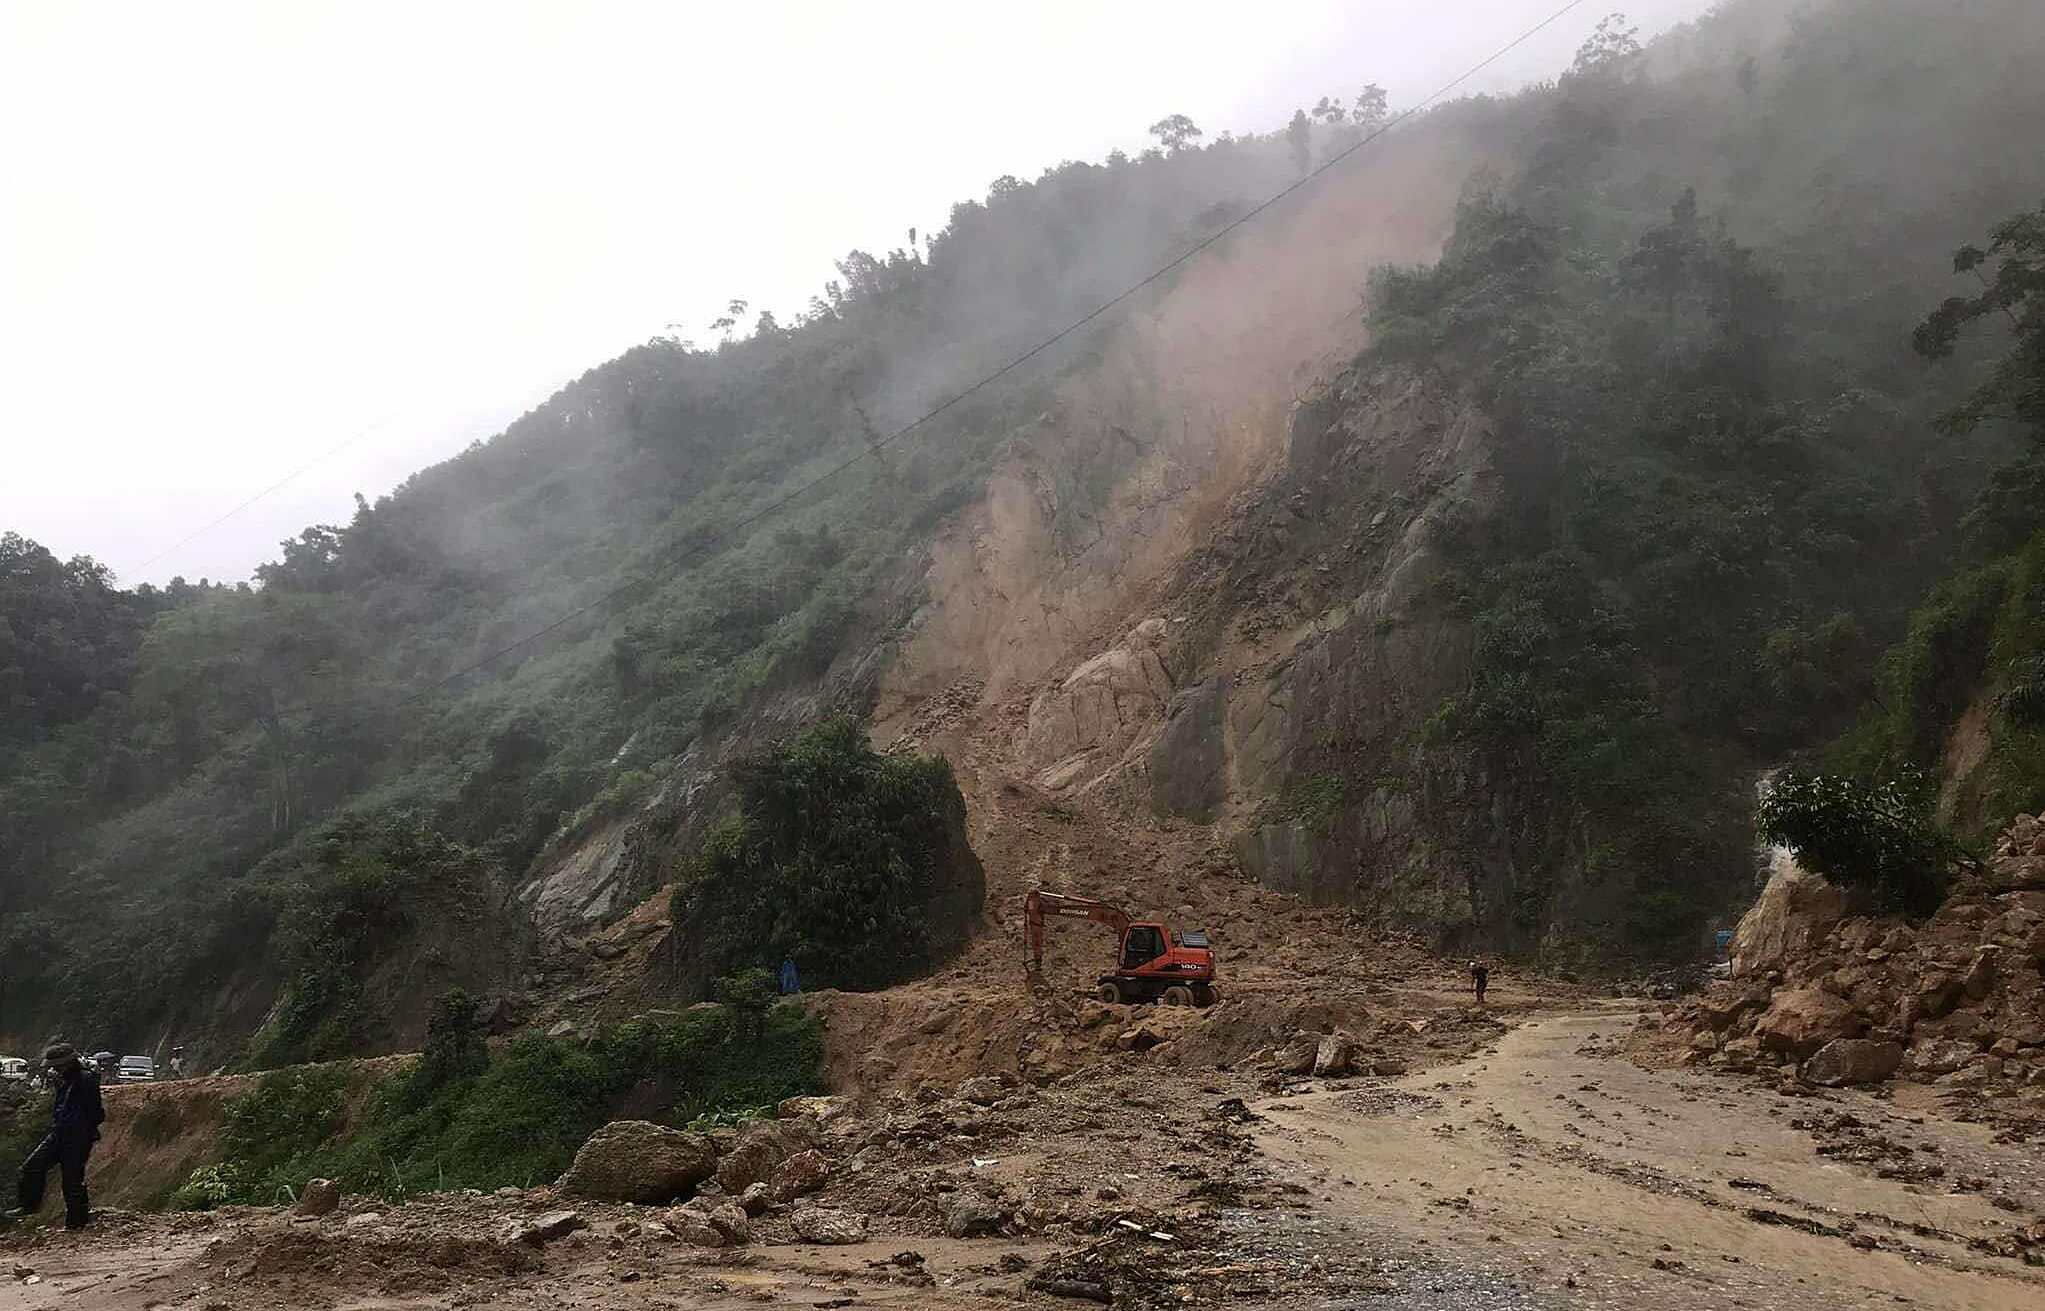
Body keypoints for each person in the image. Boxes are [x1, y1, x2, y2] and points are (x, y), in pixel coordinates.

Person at [14, 1044, 103, 1231]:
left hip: (77, 1137)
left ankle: (77, 1223)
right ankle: (29, 1206)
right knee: (31, 1167)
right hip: (58, 1134)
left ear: (68, 1064)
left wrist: (83, 1129)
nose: (54, 1069)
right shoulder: (66, 1081)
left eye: (57, 1066)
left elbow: (96, 1112)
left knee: (72, 1181)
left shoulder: (85, 1080)